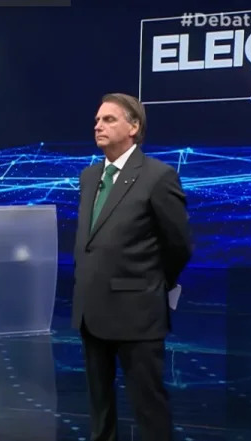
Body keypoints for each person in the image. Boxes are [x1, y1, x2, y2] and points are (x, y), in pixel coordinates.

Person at [71, 93, 193, 441]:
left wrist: (153, 284)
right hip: (91, 311)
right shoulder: (89, 177)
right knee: (100, 411)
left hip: (137, 313)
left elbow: (179, 245)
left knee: (148, 407)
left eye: (109, 119)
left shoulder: (158, 176)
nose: (99, 126)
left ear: (134, 127)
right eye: (97, 120)